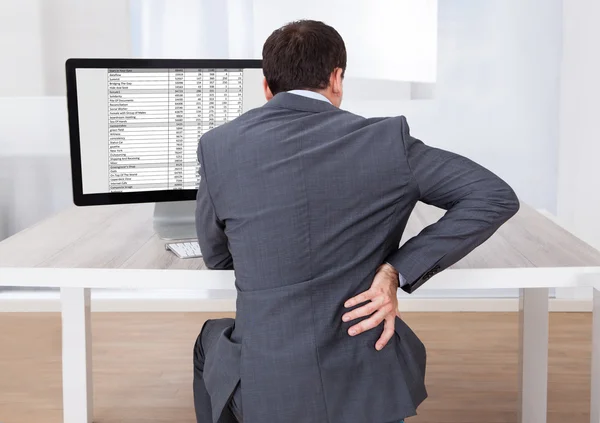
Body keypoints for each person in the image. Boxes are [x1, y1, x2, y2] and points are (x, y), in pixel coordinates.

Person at [193, 20, 520, 423]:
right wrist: (394, 270)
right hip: (366, 385)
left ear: (266, 86)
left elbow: (216, 256)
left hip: (271, 390)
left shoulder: (218, 147)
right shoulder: (387, 142)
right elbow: (493, 195)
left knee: (210, 339)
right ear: (336, 78)